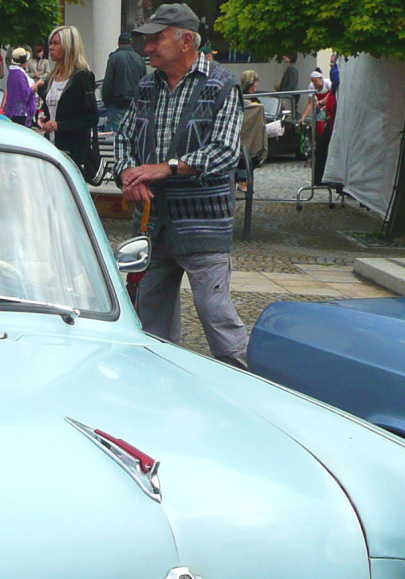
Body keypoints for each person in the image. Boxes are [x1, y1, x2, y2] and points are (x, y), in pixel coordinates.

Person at [115, 3, 248, 368]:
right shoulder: (148, 85)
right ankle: (155, 383)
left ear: (186, 41)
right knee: (147, 322)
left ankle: (247, 385)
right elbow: (124, 138)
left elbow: (225, 151)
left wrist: (166, 168)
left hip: (203, 225)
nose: (147, 49)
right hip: (153, 225)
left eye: (156, 39)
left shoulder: (222, 85)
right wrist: (129, 175)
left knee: (217, 319)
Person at [36, 25, 98, 181]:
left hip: (73, 152)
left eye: (56, 43)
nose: (51, 47)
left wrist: (60, 125)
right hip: (51, 149)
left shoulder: (81, 78)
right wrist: (42, 118)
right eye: (51, 43)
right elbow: (48, 109)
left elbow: (91, 118)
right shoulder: (50, 78)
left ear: (69, 47)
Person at [100, 31, 145, 131]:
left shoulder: (114, 58)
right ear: (131, 43)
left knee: (114, 136)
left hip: (117, 105)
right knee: (133, 134)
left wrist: (106, 102)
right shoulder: (140, 59)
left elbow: (108, 83)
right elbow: (144, 83)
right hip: (135, 105)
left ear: (119, 43)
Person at [299, 69, 336, 185]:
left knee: (324, 143)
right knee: (321, 140)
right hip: (323, 111)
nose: (314, 83)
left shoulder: (328, 84)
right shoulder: (311, 87)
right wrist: (303, 116)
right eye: (312, 81)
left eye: (315, 81)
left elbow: (331, 97)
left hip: (329, 111)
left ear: (320, 79)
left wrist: (324, 103)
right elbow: (310, 103)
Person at [1, 46, 37, 126]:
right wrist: (37, 85)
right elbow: (26, 93)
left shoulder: (13, 72)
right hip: (19, 113)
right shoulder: (19, 75)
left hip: (13, 110)